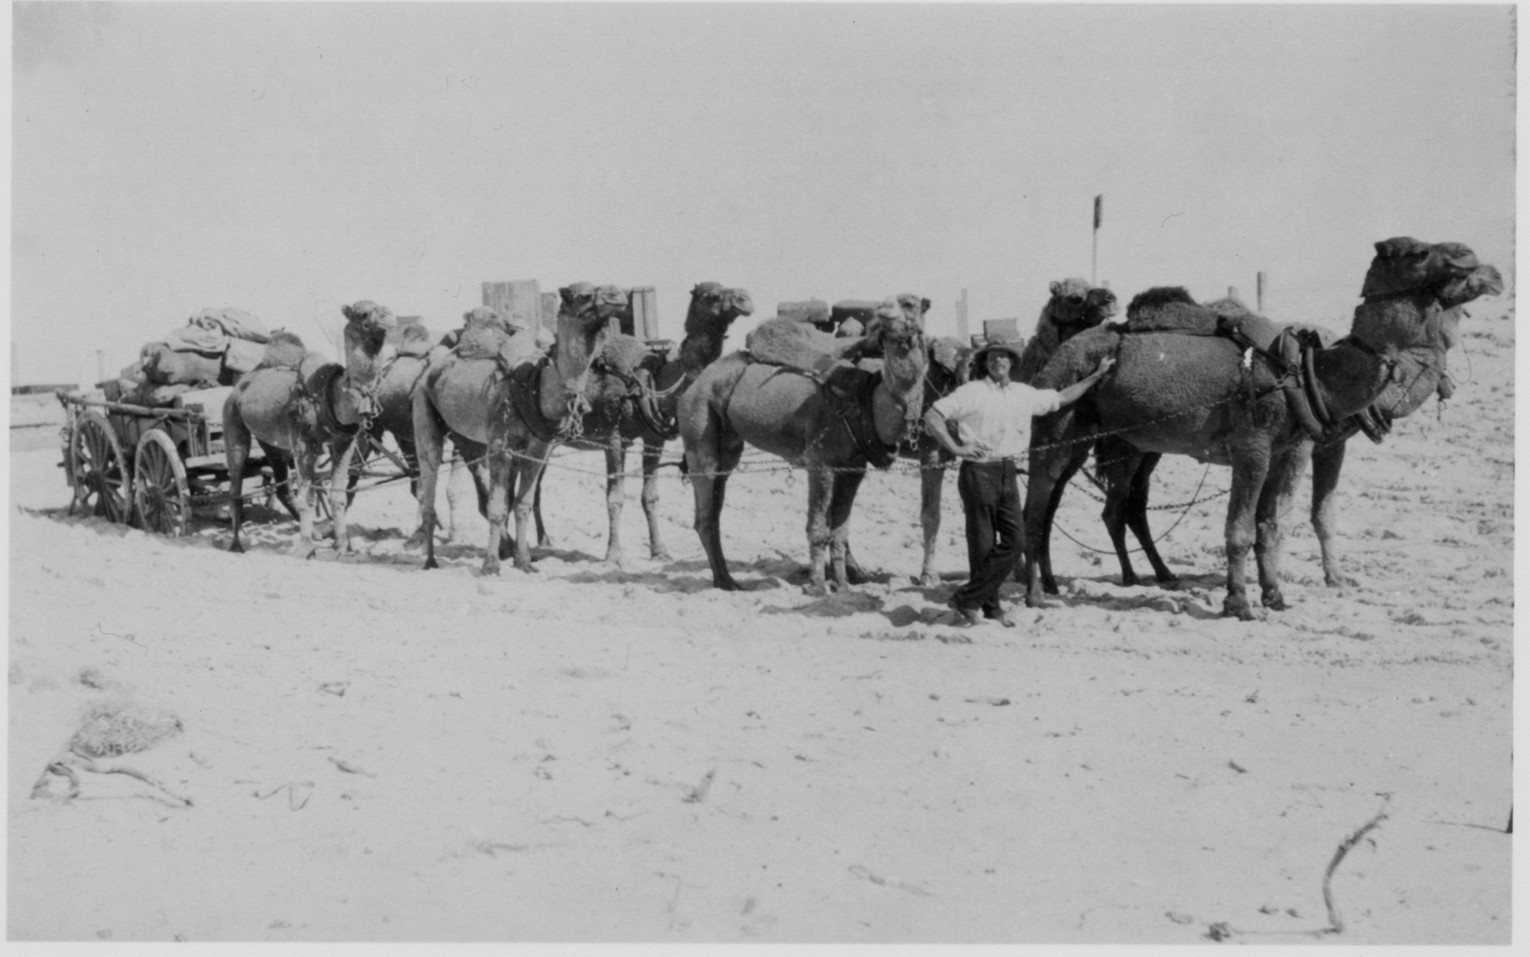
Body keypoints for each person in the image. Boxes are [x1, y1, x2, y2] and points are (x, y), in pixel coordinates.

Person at [923, 340, 1114, 627]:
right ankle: (990, 608)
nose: (998, 361)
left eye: (1004, 357)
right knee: (983, 545)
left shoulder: (1023, 394)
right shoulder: (972, 392)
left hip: (1007, 471)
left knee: (1017, 541)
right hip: (978, 473)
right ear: (985, 363)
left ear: (1012, 363)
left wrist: (1096, 376)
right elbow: (932, 415)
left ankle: (967, 598)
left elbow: (1061, 398)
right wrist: (957, 447)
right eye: (992, 358)